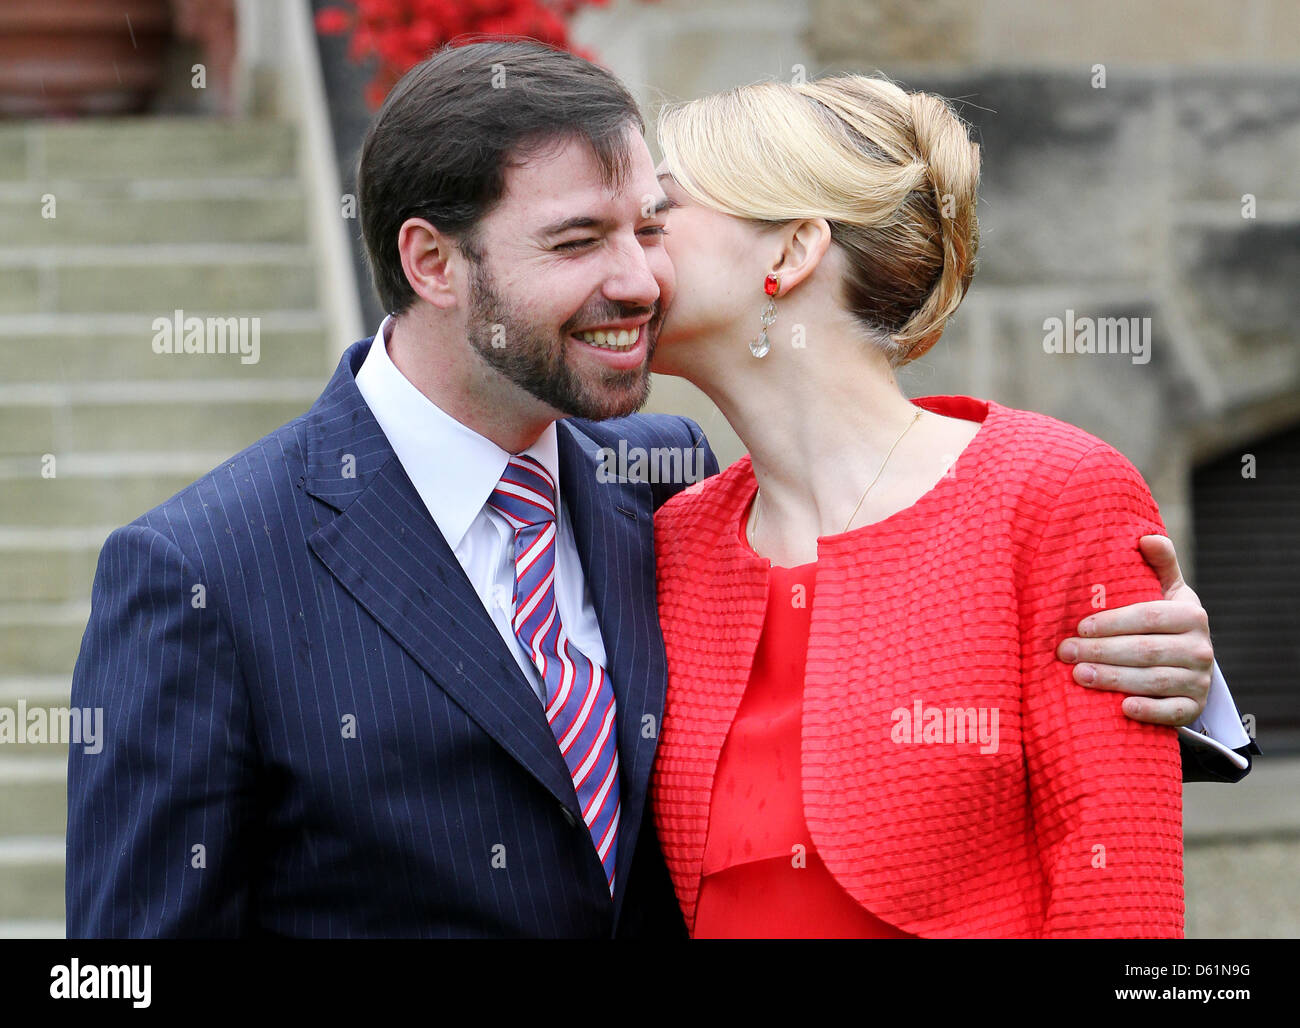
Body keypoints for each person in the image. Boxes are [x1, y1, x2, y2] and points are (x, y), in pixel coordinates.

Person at [66, 42, 1247, 939]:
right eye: (583, 240)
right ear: (432, 261)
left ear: (787, 253)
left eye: (652, 223)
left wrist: (1183, 685)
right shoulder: (202, 570)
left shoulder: (658, 494)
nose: (636, 275)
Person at [646, 73, 1253, 938]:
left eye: (659, 214)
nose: (625, 251)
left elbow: (1118, 894)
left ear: (789, 253)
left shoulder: (1049, 496)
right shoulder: (671, 535)